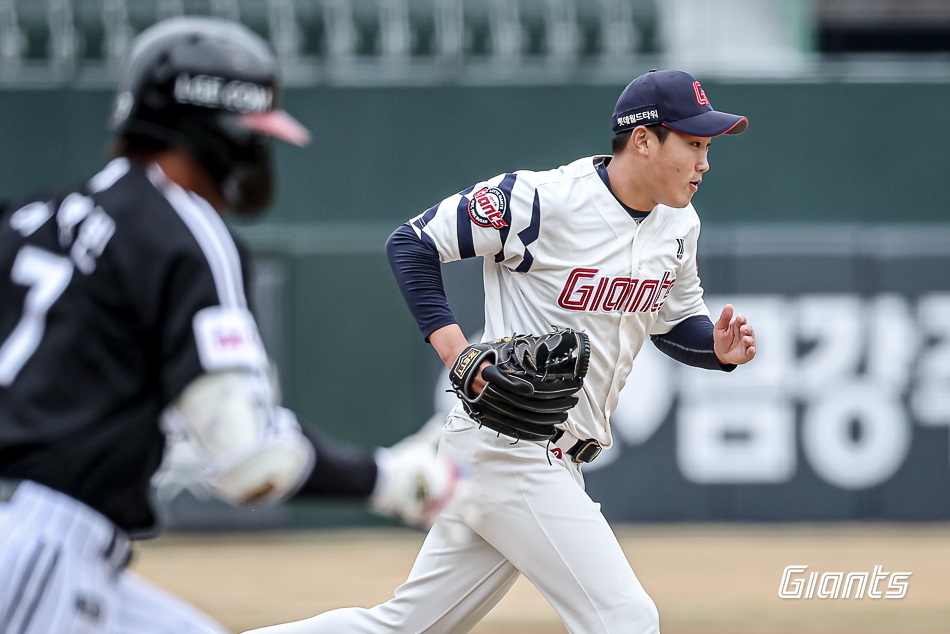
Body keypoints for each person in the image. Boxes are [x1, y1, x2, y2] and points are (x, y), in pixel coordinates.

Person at [244, 69, 757, 634]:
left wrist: (716, 348)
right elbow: (411, 243)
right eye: (693, 144)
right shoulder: (541, 201)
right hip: (511, 445)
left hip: (540, 455)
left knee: (407, 628)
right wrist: (460, 356)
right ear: (643, 140)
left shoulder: (680, 225)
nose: (704, 163)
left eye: (706, 147)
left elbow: (673, 321)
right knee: (625, 618)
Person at [0, 17, 457, 634]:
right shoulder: (182, 230)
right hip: (42, 541)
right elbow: (253, 460)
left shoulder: (29, 216)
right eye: (256, 135)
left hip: (49, 537)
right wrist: (391, 479)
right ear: (218, 133)